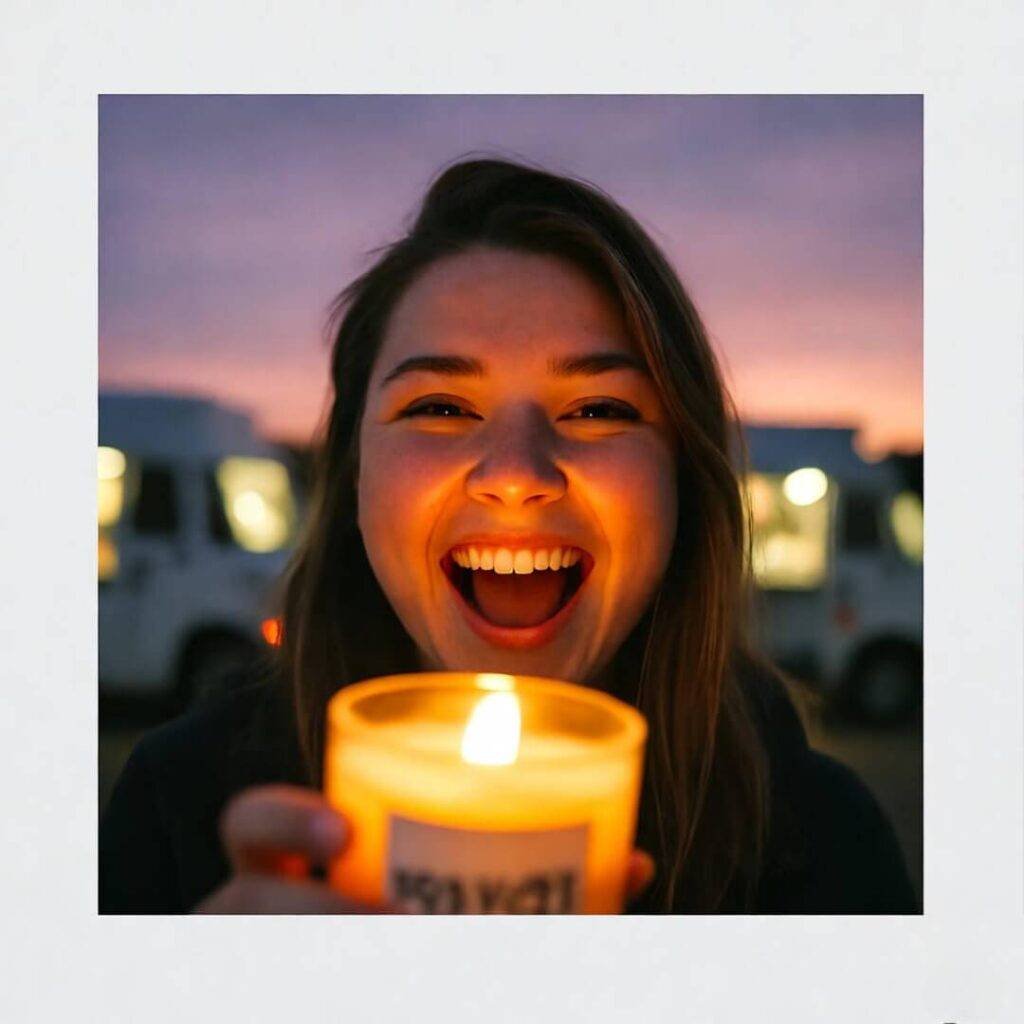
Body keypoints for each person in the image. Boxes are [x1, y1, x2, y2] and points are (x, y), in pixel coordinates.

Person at [99, 158, 917, 914]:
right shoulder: (180, 812)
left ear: (683, 485)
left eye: (599, 411)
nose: (518, 472)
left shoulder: (827, 851)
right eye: (440, 409)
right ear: (354, 477)